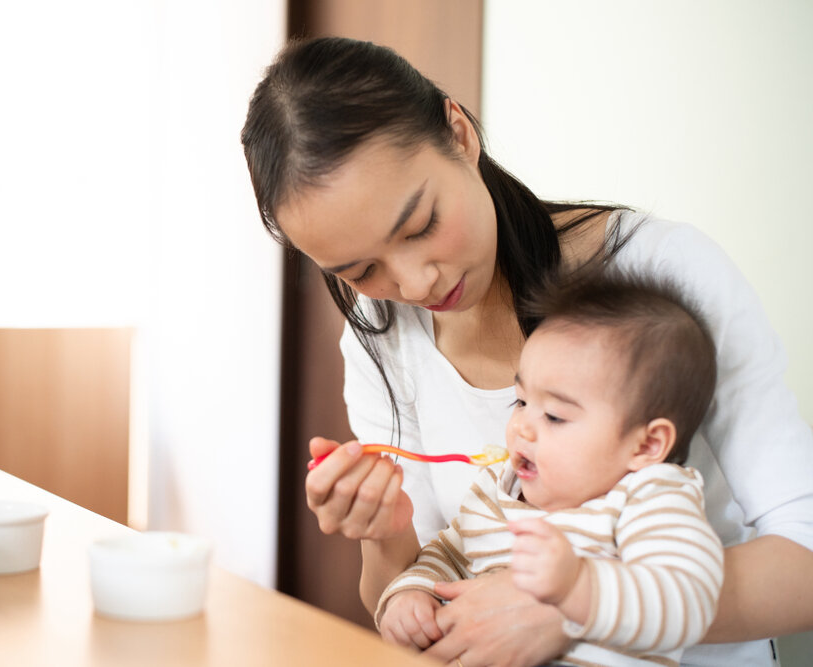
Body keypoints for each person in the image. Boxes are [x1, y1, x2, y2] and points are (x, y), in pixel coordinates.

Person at [240, 36, 813, 667]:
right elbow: (421, 594)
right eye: (360, 268)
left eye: (421, 224)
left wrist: (573, 610)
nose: (415, 283)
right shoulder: (380, 339)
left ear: (458, 133)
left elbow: (806, 559)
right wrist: (386, 534)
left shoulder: (663, 277)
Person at [377, 273, 724, 667]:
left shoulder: (651, 497)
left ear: (645, 445)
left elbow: (688, 602)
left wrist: (579, 587)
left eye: (555, 416)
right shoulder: (498, 489)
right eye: (521, 402)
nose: (522, 426)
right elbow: (446, 557)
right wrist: (411, 595)